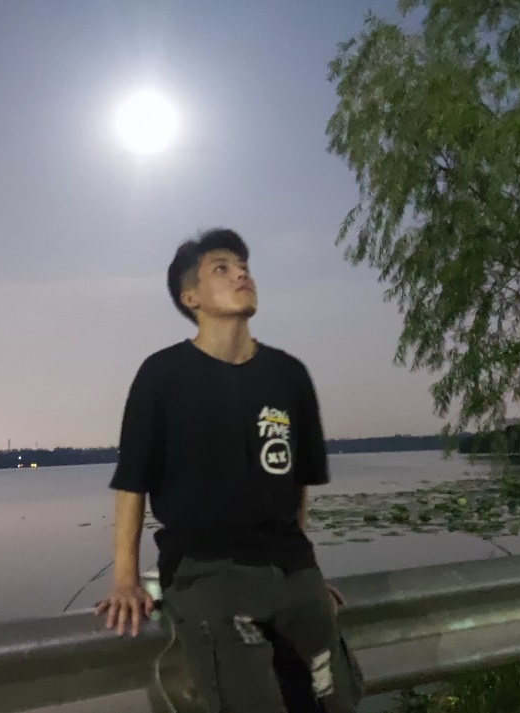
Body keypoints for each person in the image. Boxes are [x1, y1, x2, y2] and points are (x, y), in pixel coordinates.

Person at [94, 228, 361, 712]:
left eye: (244, 267)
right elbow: (132, 482)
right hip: (205, 574)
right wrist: (125, 580)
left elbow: (297, 482)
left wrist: (304, 568)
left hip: (291, 571)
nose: (241, 274)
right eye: (222, 268)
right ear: (190, 297)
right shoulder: (162, 376)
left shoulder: (289, 375)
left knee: (333, 702)